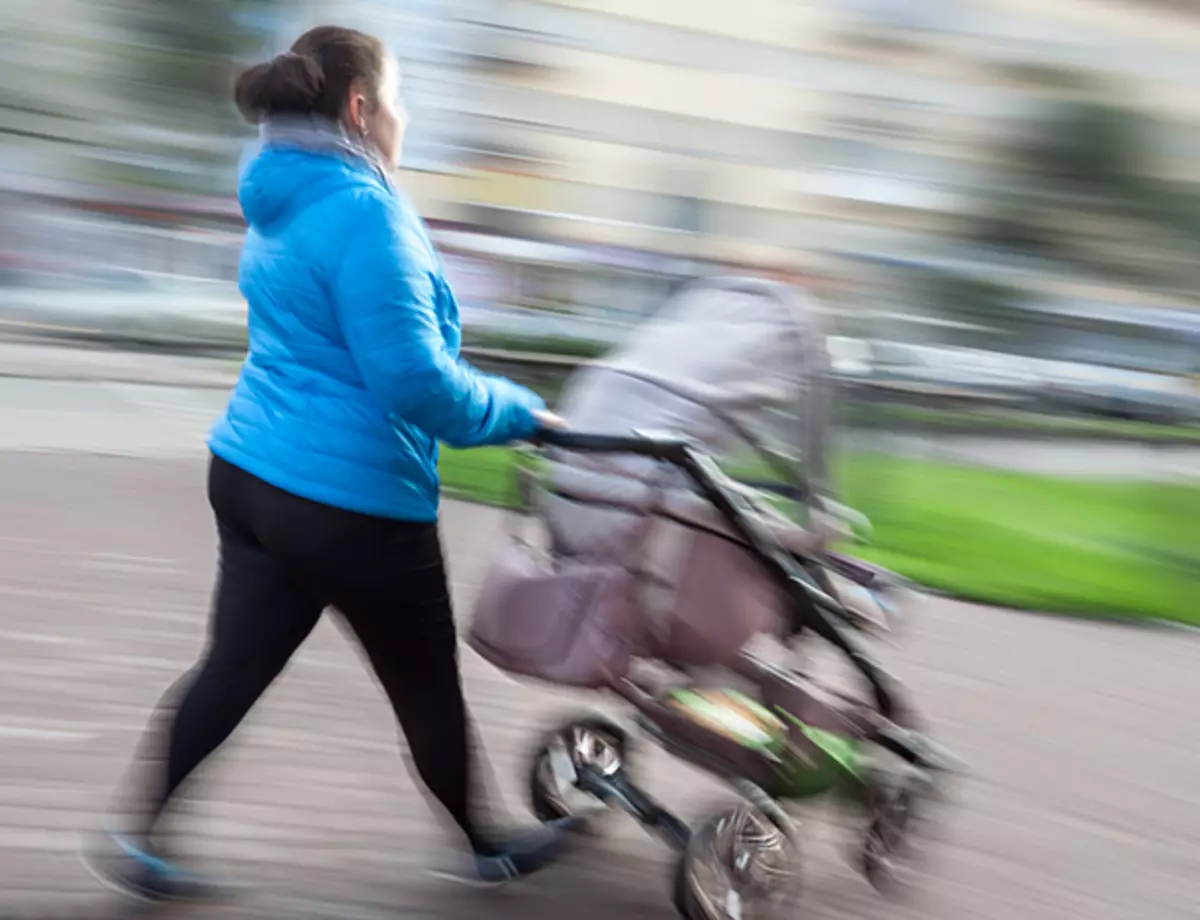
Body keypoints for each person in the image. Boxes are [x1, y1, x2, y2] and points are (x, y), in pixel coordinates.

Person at [83, 25, 577, 902]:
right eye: (397, 97)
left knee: (232, 665)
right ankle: (487, 843)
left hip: (251, 474)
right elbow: (417, 385)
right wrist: (521, 414)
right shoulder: (367, 213)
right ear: (360, 107)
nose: (405, 115)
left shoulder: (279, 198)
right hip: (351, 502)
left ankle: (137, 833)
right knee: (425, 684)